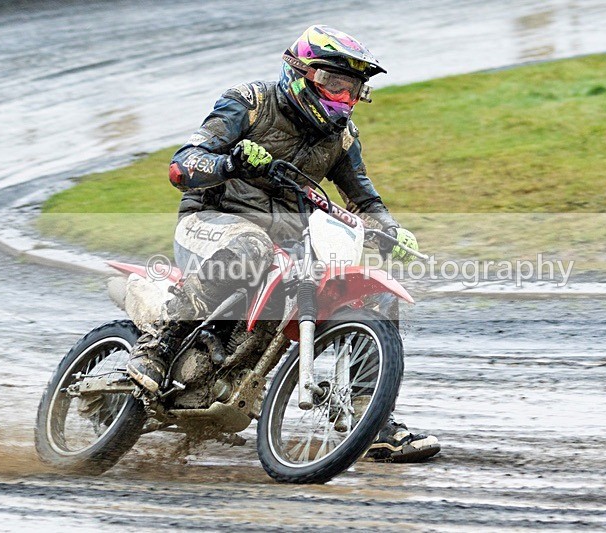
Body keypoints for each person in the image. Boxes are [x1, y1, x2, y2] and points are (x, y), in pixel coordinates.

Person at [127, 25, 439, 463]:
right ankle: (157, 347)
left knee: (372, 293)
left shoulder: (342, 137)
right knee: (253, 246)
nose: (342, 99)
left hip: (290, 245)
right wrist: (229, 160)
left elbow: (364, 197)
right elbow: (183, 164)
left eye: (352, 90)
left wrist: (389, 229)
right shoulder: (249, 103)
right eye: (333, 84)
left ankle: (373, 419)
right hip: (211, 222)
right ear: (300, 73)